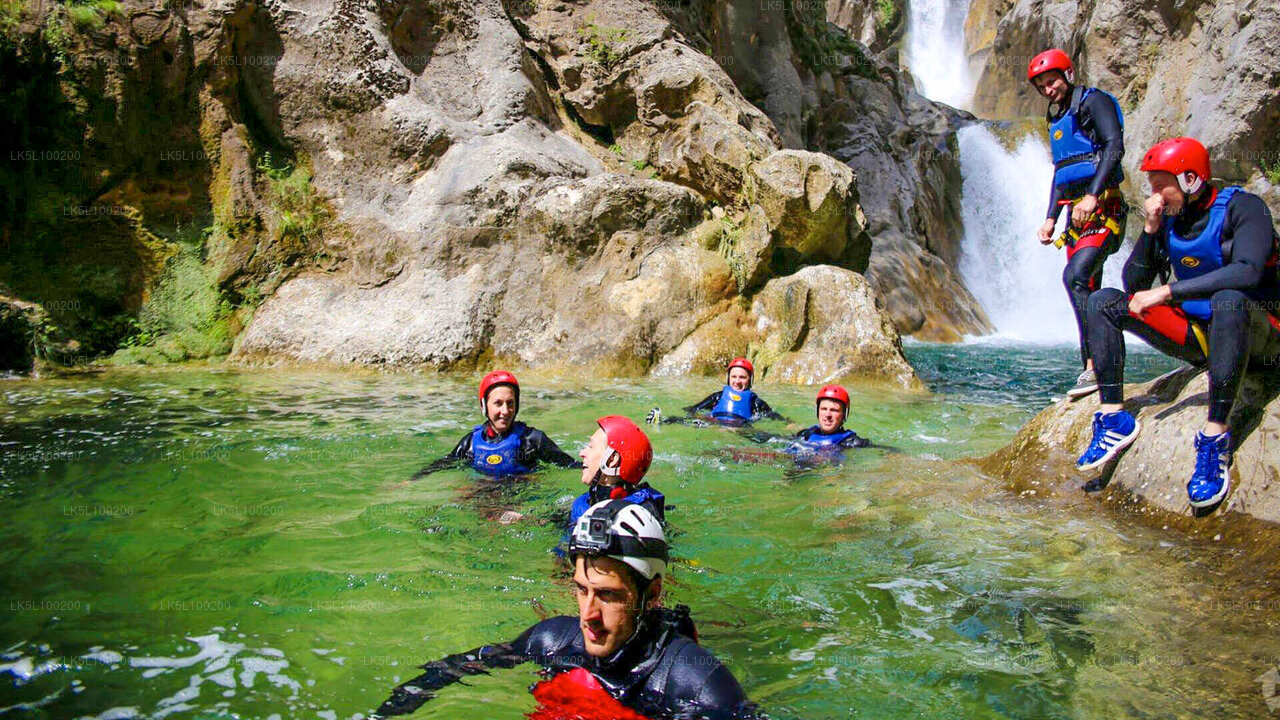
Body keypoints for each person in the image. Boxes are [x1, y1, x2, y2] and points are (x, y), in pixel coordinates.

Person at [374, 501, 760, 720]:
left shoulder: (697, 685)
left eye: (608, 595)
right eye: (581, 590)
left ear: (652, 593)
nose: (588, 615)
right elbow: (454, 667)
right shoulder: (554, 639)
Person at [1076, 137, 1280, 508]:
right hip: (1205, 339)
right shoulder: (1169, 219)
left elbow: (1248, 273)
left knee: (1229, 301)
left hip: (1262, 335)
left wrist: (1169, 293)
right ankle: (1113, 417)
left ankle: (1215, 436)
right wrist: (1151, 230)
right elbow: (1135, 288)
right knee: (1104, 302)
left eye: (1160, 184)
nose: (1154, 194)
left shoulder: (1244, 208)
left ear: (1189, 179)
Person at [1027, 48, 1128, 400]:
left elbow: (1114, 145)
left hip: (1104, 208)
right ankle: (1090, 366)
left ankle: (1100, 367)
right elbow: (1062, 171)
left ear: (1067, 75)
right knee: (1081, 286)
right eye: (1041, 85)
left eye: (1051, 81)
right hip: (1076, 217)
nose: (1048, 89)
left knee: (1076, 277)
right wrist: (1051, 217)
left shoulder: (1093, 102)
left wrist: (1093, 195)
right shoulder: (1057, 118)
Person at [411, 371, 580, 479]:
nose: (505, 411)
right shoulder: (471, 443)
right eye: (498, 403)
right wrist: (412, 480)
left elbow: (569, 465)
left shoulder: (532, 440)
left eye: (510, 403)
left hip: (520, 498)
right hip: (483, 496)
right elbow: (443, 463)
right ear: (484, 406)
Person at [568, 415, 666, 531]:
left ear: (612, 460)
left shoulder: (641, 514)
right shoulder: (585, 502)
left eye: (591, 447)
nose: (581, 453)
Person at [653, 358, 786, 426]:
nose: (737, 381)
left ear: (749, 380)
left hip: (741, 428)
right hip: (714, 423)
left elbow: (773, 415)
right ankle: (662, 420)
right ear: (728, 378)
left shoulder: (755, 402)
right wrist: (696, 416)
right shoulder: (718, 397)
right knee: (688, 421)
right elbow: (694, 409)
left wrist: (788, 423)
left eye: (742, 377)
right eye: (734, 377)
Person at [785, 384, 870, 457]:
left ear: (843, 415)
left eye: (834, 410)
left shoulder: (851, 442)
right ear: (818, 411)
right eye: (824, 409)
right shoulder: (807, 433)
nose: (828, 415)